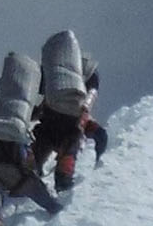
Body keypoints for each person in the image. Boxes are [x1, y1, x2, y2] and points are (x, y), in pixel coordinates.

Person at [34, 38, 108, 191]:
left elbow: (38, 102)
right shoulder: (90, 75)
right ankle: (63, 180)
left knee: (37, 155)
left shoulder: (51, 76)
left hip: (50, 124)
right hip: (72, 125)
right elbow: (90, 99)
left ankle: (32, 174)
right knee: (70, 149)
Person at [0, 136, 63, 226]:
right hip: (17, 176)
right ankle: (54, 208)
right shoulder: (20, 139)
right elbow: (30, 165)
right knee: (32, 186)